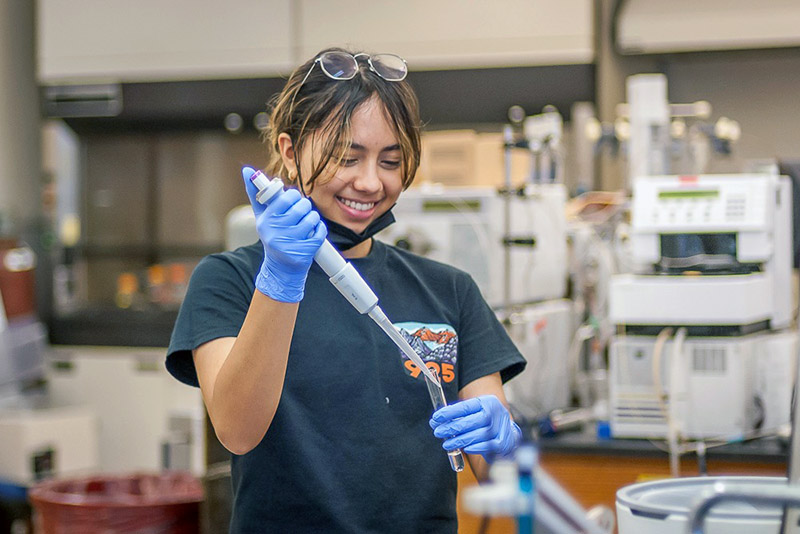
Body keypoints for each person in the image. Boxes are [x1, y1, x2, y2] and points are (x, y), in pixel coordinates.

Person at [166, 47, 526, 533]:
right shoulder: (229, 280)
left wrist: (505, 449)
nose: (370, 182)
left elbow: (502, 484)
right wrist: (280, 281)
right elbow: (237, 430)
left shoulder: (450, 291)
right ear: (290, 152)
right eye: (347, 158)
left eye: (391, 160)